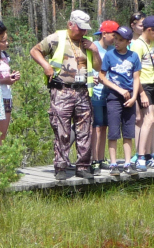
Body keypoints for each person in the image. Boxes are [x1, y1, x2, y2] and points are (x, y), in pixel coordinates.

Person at [29, 9, 102, 180]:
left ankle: (83, 166)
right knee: (62, 130)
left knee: (84, 131)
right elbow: (35, 51)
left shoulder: (88, 42)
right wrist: (46, 66)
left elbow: (98, 67)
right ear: (70, 24)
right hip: (62, 90)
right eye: (80, 28)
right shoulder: (57, 38)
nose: (84, 32)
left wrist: (95, 51)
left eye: (86, 29)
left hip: (83, 91)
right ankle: (61, 166)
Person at [99, 26, 141, 176]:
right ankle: (113, 164)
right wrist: (119, 90)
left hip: (129, 96)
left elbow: (136, 78)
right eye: (115, 38)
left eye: (121, 40)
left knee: (128, 131)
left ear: (128, 42)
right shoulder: (109, 55)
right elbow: (102, 77)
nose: (116, 42)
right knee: (114, 131)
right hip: (114, 96)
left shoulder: (134, 56)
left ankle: (128, 163)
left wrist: (135, 96)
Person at [130, 16, 154, 171]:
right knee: (148, 119)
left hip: (153, 84)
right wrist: (141, 93)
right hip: (143, 85)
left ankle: (149, 154)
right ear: (149, 30)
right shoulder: (137, 46)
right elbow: (135, 72)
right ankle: (141, 157)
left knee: (152, 120)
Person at [91, 20, 118, 173]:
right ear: (104, 34)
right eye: (113, 35)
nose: (115, 39)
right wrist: (91, 77)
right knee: (97, 127)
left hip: (108, 94)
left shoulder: (112, 49)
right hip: (96, 94)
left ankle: (101, 158)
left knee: (104, 127)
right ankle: (94, 159)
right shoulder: (93, 47)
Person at [0, 34, 20, 142]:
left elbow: (5, 77)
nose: (7, 44)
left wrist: (12, 78)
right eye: (3, 41)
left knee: (1, 136)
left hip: (6, 97)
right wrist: (5, 80)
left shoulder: (4, 55)